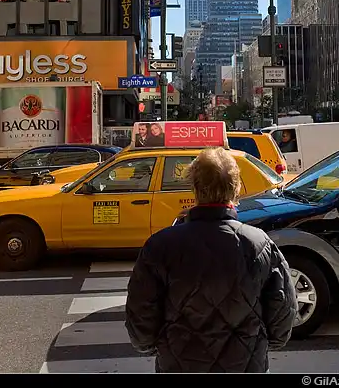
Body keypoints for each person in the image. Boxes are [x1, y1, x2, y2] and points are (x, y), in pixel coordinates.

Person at [125, 147, 297, 373]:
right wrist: (263, 344)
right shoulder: (259, 243)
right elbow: (283, 309)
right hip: (245, 364)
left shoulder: (160, 245)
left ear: (195, 188)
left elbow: (141, 312)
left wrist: (152, 346)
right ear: (235, 188)